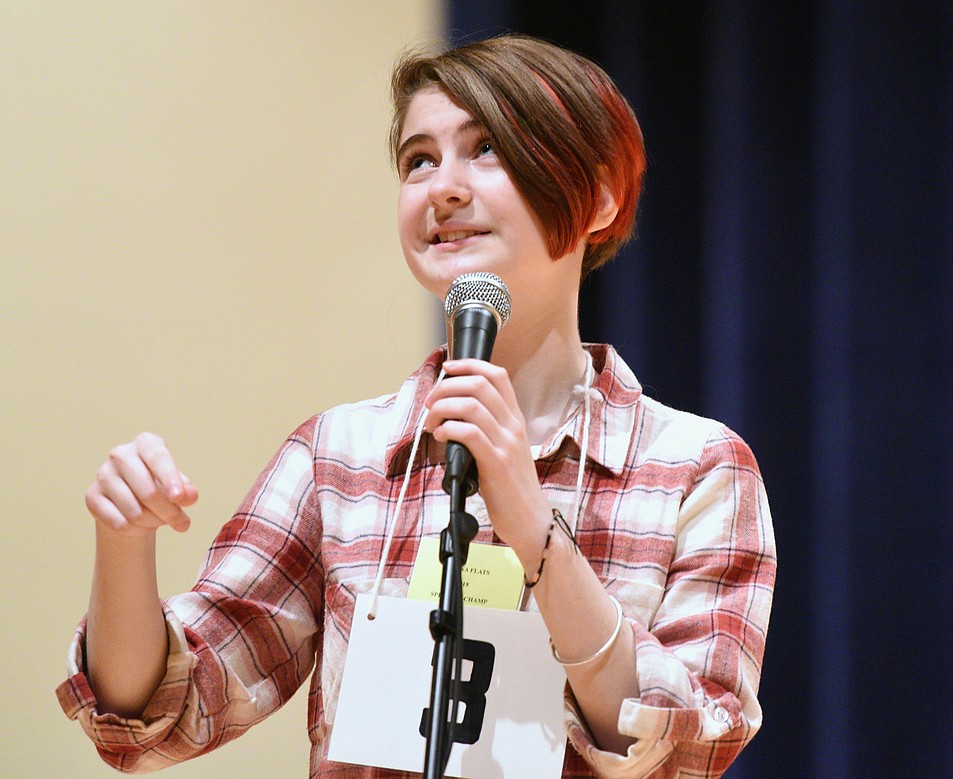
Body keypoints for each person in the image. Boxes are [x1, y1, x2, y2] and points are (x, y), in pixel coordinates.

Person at [57, 34, 776, 778]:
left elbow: (686, 750)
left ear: (597, 197)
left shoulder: (696, 470)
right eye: (418, 160)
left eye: (487, 147)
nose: (443, 187)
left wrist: (535, 534)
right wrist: (123, 546)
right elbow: (158, 714)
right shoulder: (340, 456)